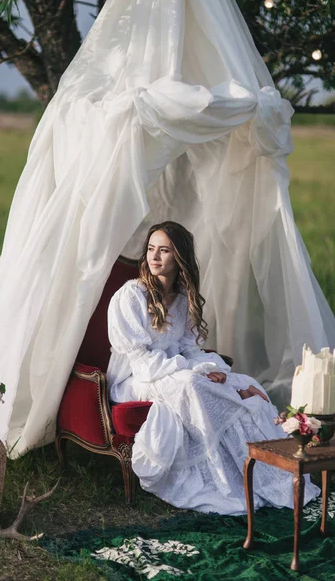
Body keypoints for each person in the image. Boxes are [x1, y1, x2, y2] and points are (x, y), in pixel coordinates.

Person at [106, 221, 319, 515]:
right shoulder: (131, 296)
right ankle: (222, 479)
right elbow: (141, 361)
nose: (154, 257)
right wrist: (197, 372)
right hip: (136, 377)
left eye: (164, 250)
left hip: (170, 369)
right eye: (151, 249)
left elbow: (191, 349)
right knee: (194, 385)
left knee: (237, 382)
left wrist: (211, 370)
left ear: (178, 257)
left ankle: (270, 473)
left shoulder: (181, 299)